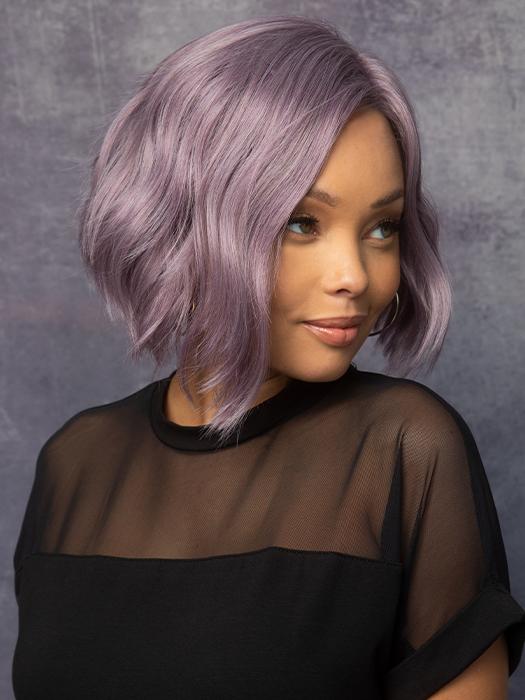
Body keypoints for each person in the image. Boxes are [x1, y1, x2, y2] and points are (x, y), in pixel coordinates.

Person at [11, 15, 525, 700]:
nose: (354, 275)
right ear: (183, 220)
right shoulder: (75, 461)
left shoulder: (402, 448)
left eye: (382, 227)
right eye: (301, 223)